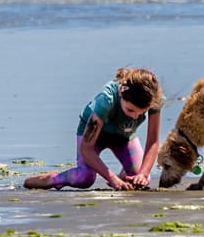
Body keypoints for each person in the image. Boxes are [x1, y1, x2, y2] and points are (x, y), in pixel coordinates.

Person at [23, 67, 164, 190]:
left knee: (140, 179)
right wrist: (112, 178)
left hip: (124, 136)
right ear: (121, 93)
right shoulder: (106, 101)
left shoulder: (154, 100)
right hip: (93, 138)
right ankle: (51, 179)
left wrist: (143, 174)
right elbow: (87, 148)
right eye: (130, 110)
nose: (135, 117)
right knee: (84, 179)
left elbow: (152, 141)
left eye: (141, 113)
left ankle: (126, 175)